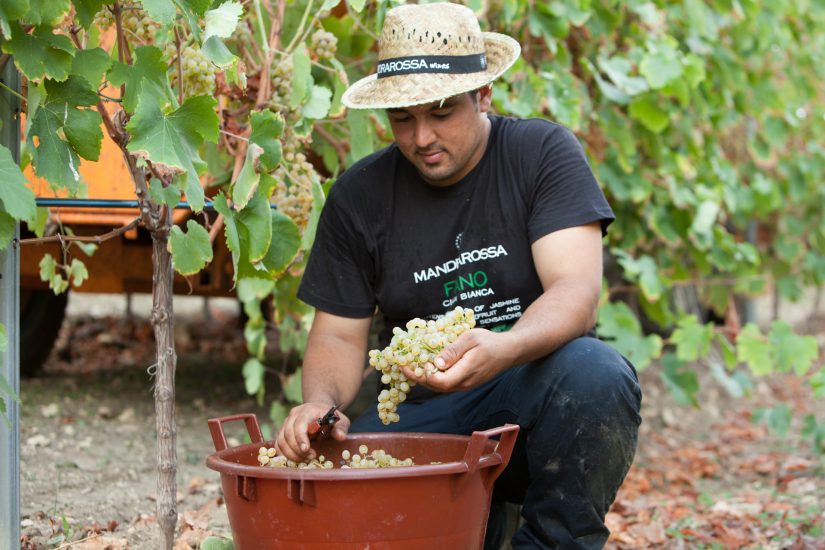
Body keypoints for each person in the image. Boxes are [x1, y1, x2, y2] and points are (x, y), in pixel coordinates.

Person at [274, 2, 642, 548]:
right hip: (424, 417)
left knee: (597, 374)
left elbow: (576, 291)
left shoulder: (542, 155)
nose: (422, 137)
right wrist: (320, 406)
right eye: (404, 118)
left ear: (484, 95)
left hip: (530, 401)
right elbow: (336, 334)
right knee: (340, 487)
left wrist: (506, 346)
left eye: (442, 112)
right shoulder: (360, 195)